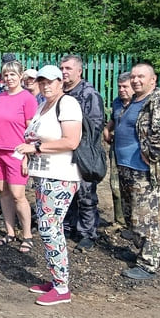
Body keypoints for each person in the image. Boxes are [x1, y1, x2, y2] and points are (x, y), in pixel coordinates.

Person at [15, 65, 82, 306]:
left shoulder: (68, 104)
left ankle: (62, 287)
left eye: (50, 81)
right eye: (42, 81)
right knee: (48, 227)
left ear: (60, 82)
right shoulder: (43, 105)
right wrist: (27, 153)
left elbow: (71, 141)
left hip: (60, 175)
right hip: (43, 174)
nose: (45, 85)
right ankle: (56, 280)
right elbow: (33, 136)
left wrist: (35, 148)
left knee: (49, 228)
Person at [114, 62, 160, 280]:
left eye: (141, 76)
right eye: (133, 76)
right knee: (132, 215)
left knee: (145, 218)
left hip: (143, 171)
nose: (135, 80)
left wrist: (150, 154)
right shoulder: (135, 100)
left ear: (153, 79)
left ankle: (148, 264)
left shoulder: (157, 101)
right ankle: (139, 252)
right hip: (126, 167)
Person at [0, 60, 38, 252]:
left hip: (16, 152)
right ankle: (10, 232)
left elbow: (32, 131)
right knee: (3, 191)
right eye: (6, 75)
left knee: (17, 194)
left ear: (20, 76)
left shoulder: (27, 99)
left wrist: (27, 156)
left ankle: (27, 235)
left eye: (12, 74)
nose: (9, 78)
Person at [60, 54, 105, 251]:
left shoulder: (89, 94)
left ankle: (88, 233)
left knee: (86, 194)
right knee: (67, 191)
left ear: (79, 71)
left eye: (68, 68)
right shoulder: (60, 92)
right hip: (64, 151)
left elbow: (96, 125)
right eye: (62, 68)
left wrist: (76, 136)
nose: (64, 72)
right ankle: (68, 226)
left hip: (84, 151)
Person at [103, 72, 132, 227]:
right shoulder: (117, 102)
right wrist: (107, 129)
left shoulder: (140, 104)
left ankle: (133, 223)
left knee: (132, 188)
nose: (121, 90)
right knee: (115, 186)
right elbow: (114, 119)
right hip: (116, 149)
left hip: (134, 153)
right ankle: (120, 221)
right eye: (119, 87)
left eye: (125, 87)